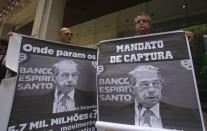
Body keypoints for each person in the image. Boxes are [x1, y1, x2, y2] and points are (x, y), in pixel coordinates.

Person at [127, 64, 203, 130]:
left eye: (156, 83)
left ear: (161, 85)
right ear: (132, 88)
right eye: (145, 84)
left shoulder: (185, 116)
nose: (152, 90)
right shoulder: (117, 115)